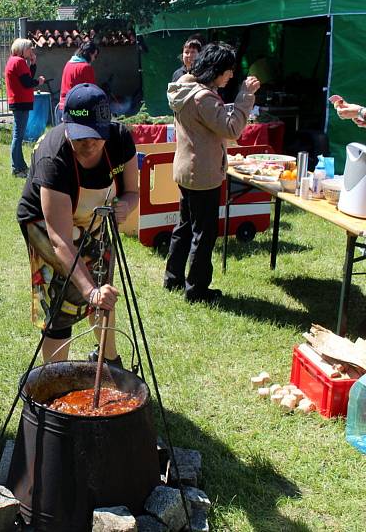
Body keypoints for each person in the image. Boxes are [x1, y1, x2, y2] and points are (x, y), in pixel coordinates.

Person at [17, 84, 139, 363]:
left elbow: (132, 192)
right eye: (81, 137)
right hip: (45, 225)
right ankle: (55, 378)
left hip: (94, 217)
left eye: (96, 137)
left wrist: (126, 206)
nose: (89, 145)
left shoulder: (120, 140)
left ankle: (109, 361)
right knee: (64, 300)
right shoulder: (53, 157)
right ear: (66, 125)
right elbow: (60, 239)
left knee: (103, 288)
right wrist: (88, 291)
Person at [163, 43, 260, 303]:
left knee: (184, 226)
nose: (231, 75)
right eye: (228, 71)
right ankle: (197, 291)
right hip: (202, 174)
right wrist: (245, 97)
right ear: (215, 69)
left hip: (187, 169)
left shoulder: (185, 88)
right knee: (204, 233)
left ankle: (173, 279)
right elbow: (231, 129)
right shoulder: (202, 96)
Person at [5, 38, 46, 178]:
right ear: (22, 49)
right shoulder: (19, 62)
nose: (31, 51)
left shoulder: (14, 61)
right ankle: (17, 168)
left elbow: (26, 77)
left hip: (18, 102)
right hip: (21, 102)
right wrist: (39, 82)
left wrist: (33, 64)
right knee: (18, 136)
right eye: (29, 49)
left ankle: (20, 165)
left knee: (18, 135)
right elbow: (28, 82)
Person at [56, 40, 99, 123]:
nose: (94, 59)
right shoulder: (86, 67)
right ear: (90, 54)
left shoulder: (68, 64)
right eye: (95, 56)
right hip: (77, 111)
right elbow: (91, 92)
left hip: (62, 108)